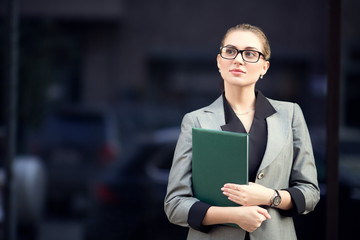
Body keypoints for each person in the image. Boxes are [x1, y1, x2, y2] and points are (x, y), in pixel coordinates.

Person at [164, 23, 320, 240]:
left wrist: (269, 196)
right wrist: (233, 215)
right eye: (230, 51)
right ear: (219, 61)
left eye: (250, 53)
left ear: (264, 67)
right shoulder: (195, 120)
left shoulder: (290, 114)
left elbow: (311, 193)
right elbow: (174, 205)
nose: (238, 59)